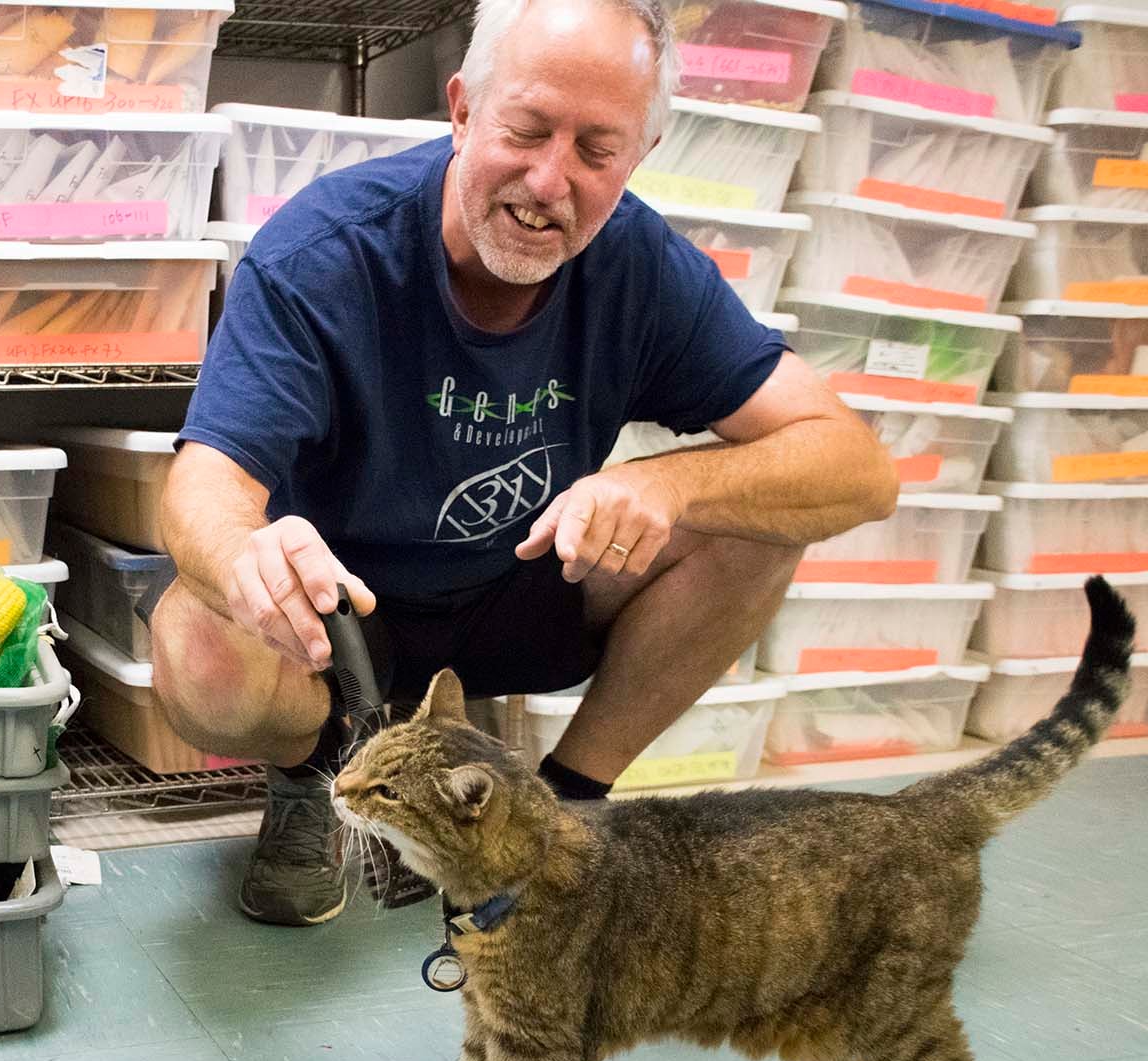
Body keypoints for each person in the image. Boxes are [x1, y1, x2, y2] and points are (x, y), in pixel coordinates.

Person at [148, 0, 901, 926]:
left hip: (526, 585)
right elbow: (202, 485)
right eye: (527, 131)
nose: (550, 182)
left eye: (596, 150)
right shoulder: (325, 253)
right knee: (197, 641)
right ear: (462, 109)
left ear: (641, 152)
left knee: (756, 521)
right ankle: (313, 776)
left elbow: (859, 468)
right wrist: (239, 555)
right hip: (344, 619)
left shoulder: (642, 266)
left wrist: (665, 480)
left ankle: (569, 804)